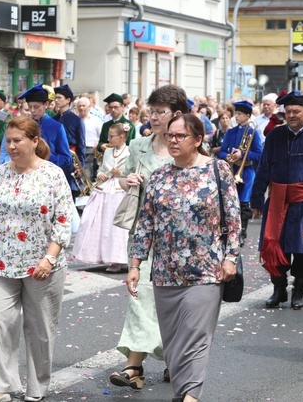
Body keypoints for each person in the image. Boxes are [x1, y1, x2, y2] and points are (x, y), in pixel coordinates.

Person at [127, 114, 241, 402]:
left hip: (206, 269)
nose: (173, 141)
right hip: (166, 271)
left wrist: (230, 257)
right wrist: (135, 265)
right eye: (170, 136)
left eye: (181, 136)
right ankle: (183, 392)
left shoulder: (218, 169)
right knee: (174, 340)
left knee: (195, 336)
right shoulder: (159, 175)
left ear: (198, 140)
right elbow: (146, 223)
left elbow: (233, 218)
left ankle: (190, 396)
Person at [0, 117, 74, 402]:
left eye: (17, 141)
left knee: (40, 329)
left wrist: (49, 259)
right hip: (1, 262)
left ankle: (36, 388)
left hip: (41, 266)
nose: (10, 146)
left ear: (34, 141)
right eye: (8, 141)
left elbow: (63, 222)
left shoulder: (52, 175)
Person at [110, 84, 190, 391]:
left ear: (177, 114)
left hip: (180, 240)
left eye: (160, 112)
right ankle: (134, 367)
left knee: (175, 300)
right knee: (140, 296)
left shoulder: (187, 145)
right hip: (143, 234)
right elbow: (122, 177)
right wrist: (127, 179)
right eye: (151, 111)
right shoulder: (139, 145)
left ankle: (175, 357)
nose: (153, 117)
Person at [251, 90, 303, 309]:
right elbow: (264, 168)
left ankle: (298, 291)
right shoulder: (275, 136)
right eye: (288, 111)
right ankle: (279, 289)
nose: (292, 115)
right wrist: (256, 198)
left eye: (297, 111)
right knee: (274, 246)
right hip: (277, 201)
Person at [73, 121, 131, 271]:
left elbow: (131, 171)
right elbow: (101, 168)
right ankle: (109, 258)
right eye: (108, 136)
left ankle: (121, 257)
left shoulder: (129, 152)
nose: (109, 139)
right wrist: (102, 174)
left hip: (120, 188)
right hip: (105, 188)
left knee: (118, 226)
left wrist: (122, 174)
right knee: (102, 223)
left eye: (112, 136)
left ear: (122, 137)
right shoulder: (107, 152)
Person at [218, 100, 262, 247]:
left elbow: (259, 154)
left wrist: (242, 154)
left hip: (246, 171)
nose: (236, 117)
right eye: (235, 114)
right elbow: (222, 150)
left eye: (239, 114)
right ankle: (230, 231)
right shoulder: (230, 132)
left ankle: (242, 232)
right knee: (230, 202)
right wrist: (227, 156)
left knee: (243, 203)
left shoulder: (253, 132)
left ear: (247, 116)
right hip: (231, 170)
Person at [1, 85, 71, 174]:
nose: (32, 110)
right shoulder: (24, 125)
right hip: (24, 172)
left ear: (46, 105)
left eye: (36, 107)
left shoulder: (57, 127)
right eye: (30, 107)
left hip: (47, 173)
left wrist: (44, 155)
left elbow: (66, 158)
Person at [53, 84, 86, 197]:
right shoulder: (54, 119)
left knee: (69, 192)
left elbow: (81, 144)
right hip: (55, 157)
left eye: (59, 98)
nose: (56, 100)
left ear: (68, 100)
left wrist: (81, 166)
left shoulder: (76, 120)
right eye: (55, 97)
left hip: (70, 160)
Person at [96, 93, 136, 160]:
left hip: (123, 159)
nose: (113, 110)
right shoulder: (106, 125)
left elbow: (131, 145)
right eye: (111, 107)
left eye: (116, 107)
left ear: (122, 107)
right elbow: (101, 142)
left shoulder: (130, 125)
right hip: (108, 158)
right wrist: (101, 146)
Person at [76, 96, 102, 180]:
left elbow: (101, 136)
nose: (81, 108)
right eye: (79, 106)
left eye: (83, 105)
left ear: (89, 107)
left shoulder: (96, 120)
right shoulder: (74, 120)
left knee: (87, 174)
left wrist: (97, 143)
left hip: (90, 151)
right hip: (76, 150)